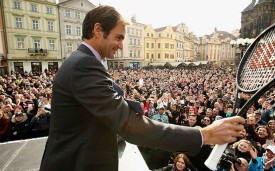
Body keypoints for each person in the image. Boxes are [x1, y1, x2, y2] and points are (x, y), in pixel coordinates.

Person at [40, 5, 245, 171]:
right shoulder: (84, 64)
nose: (121, 45)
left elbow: (97, 118)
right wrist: (203, 134)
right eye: (119, 37)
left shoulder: (82, 62)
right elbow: (130, 125)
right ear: (97, 30)